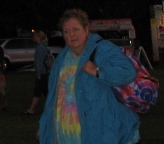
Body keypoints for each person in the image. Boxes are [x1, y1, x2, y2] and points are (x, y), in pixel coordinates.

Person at [38, 8, 139, 144]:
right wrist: (45, 125)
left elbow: (128, 72)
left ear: (86, 29)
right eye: (67, 32)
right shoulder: (61, 58)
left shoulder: (101, 49)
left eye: (76, 29)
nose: (72, 35)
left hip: (98, 132)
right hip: (64, 134)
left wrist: (98, 71)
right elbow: (54, 96)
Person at [25, 30, 52, 115]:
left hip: (43, 73)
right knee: (45, 92)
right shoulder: (44, 46)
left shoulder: (40, 47)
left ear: (39, 37)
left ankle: (32, 109)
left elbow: (39, 62)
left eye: (34, 36)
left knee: (38, 91)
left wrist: (39, 74)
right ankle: (50, 109)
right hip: (46, 73)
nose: (33, 38)